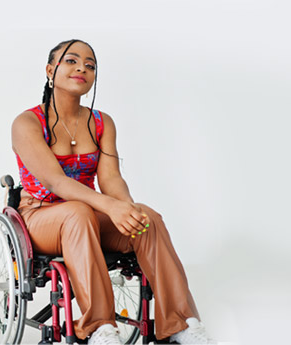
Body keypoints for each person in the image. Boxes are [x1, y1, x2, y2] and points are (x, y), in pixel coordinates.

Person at [11, 39, 215, 344]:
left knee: (148, 217)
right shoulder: (27, 122)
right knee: (78, 212)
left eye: (90, 65)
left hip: (87, 214)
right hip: (40, 215)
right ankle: (99, 328)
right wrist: (111, 207)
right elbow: (56, 182)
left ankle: (181, 323)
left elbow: (111, 179)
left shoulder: (101, 122)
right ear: (50, 70)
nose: (82, 67)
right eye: (71, 61)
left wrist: (127, 209)